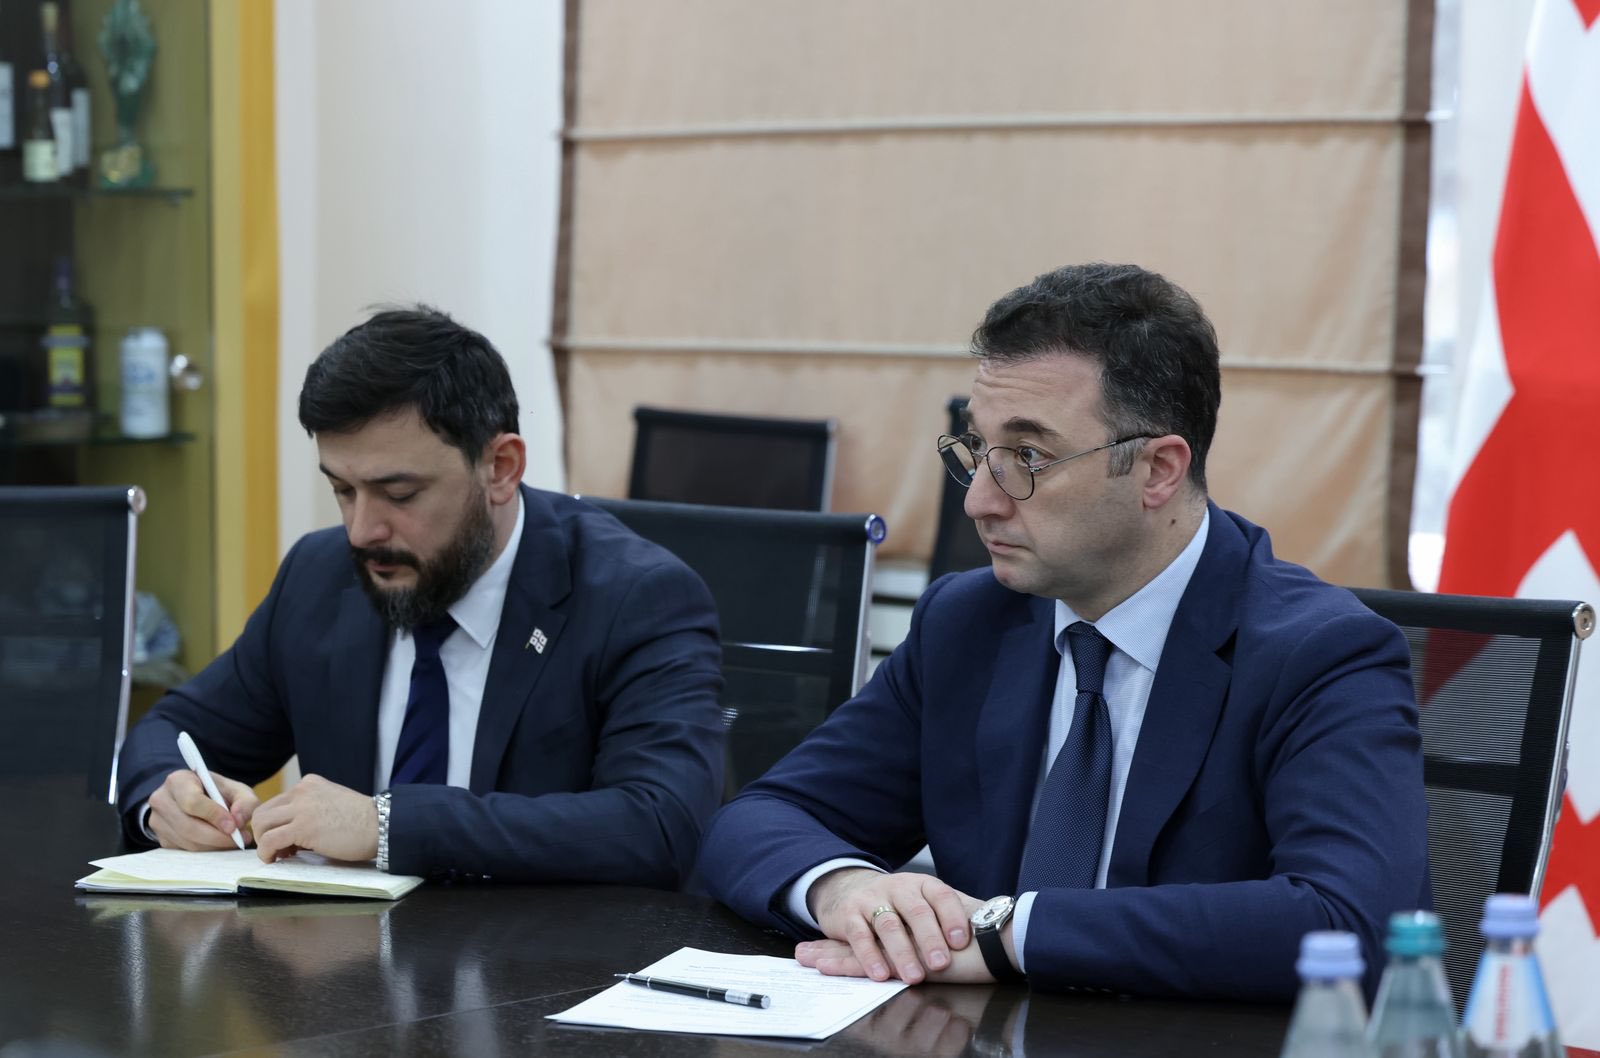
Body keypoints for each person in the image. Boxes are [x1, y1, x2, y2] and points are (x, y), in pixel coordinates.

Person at [696, 263, 1430, 999]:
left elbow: (1353, 924)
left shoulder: (1321, 653)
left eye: (1028, 457)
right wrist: (846, 889)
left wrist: (1008, 934)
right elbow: (760, 817)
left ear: (1158, 471)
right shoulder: (968, 622)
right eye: (978, 451)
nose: (980, 502)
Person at [117, 306, 724, 887]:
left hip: (550, 955)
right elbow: (171, 730)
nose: (362, 531)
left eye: (399, 494)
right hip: (345, 953)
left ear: (501, 468)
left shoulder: (636, 597)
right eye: (343, 490)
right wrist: (166, 799)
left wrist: (388, 826)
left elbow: (660, 825)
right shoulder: (320, 576)